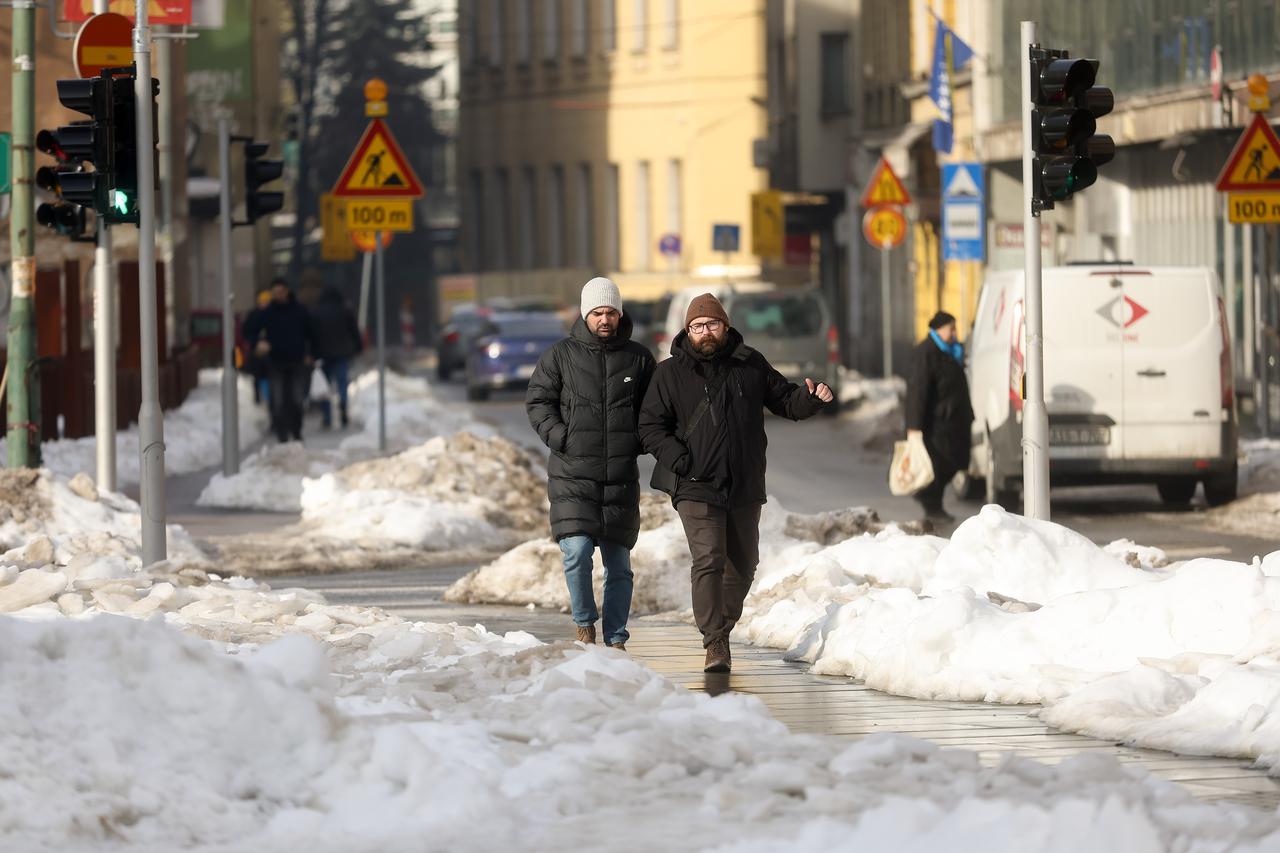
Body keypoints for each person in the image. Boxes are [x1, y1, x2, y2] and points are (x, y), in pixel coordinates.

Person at [638, 293, 832, 673]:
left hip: (743, 482)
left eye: (711, 324)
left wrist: (810, 398)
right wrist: (678, 457)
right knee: (708, 558)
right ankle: (714, 641)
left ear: (725, 326)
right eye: (697, 326)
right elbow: (649, 426)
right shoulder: (669, 374)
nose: (705, 331)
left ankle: (721, 629)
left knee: (743, 566)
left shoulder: (750, 363)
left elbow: (785, 401)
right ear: (687, 331)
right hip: (694, 482)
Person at [525, 277, 656, 651]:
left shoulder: (639, 358)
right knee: (577, 552)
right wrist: (559, 436)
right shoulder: (559, 356)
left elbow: (654, 410)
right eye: (597, 312)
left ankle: (616, 637)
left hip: (619, 478)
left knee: (620, 566)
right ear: (585, 314)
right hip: (572, 476)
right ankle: (584, 623)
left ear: (619, 314)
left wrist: (640, 441)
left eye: (610, 312)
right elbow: (538, 401)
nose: (604, 319)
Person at [904, 311, 975, 524]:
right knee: (936, 466)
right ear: (937, 330)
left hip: (953, 422)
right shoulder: (926, 353)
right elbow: (918, 391)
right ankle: (931, 505)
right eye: (950, 328)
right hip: (934, 425)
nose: (954, 333)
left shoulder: (952, 351)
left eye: (955, 328)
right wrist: (914, 426)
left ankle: (933, 503)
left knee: (954, 463)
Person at [242, 278, 315, 443]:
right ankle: (282, 434)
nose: (278, 295)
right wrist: (257, 344)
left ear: (287, 291)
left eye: (281, 292)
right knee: (278, 400)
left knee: (297, 399)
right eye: (275, 293)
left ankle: (296, 431)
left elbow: (311, 333)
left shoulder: (299, 311)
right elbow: (248, 329)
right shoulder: (267, 312)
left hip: (297, 361)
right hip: (276, 362)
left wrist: (311, 353)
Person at [308, 286, 364, 429]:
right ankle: (343, 403)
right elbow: (354, 331)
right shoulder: (345, 311)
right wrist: (358, 347)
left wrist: (312, 353)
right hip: (341, 353)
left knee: (324, 387)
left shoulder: (316, 313)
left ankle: (327, 416)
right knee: (342, 383)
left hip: (322, 355)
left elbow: (311, 335)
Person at [241, 289, 272, 406]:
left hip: (269, 352)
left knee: (266, 376)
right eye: (263, 302)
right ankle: (259, 397)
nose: (264, 304)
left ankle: (265, 397)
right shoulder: (254, 315)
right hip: (257, 352)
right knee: (258, 376)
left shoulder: (272, 314)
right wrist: (256, 343)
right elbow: (246, 332)